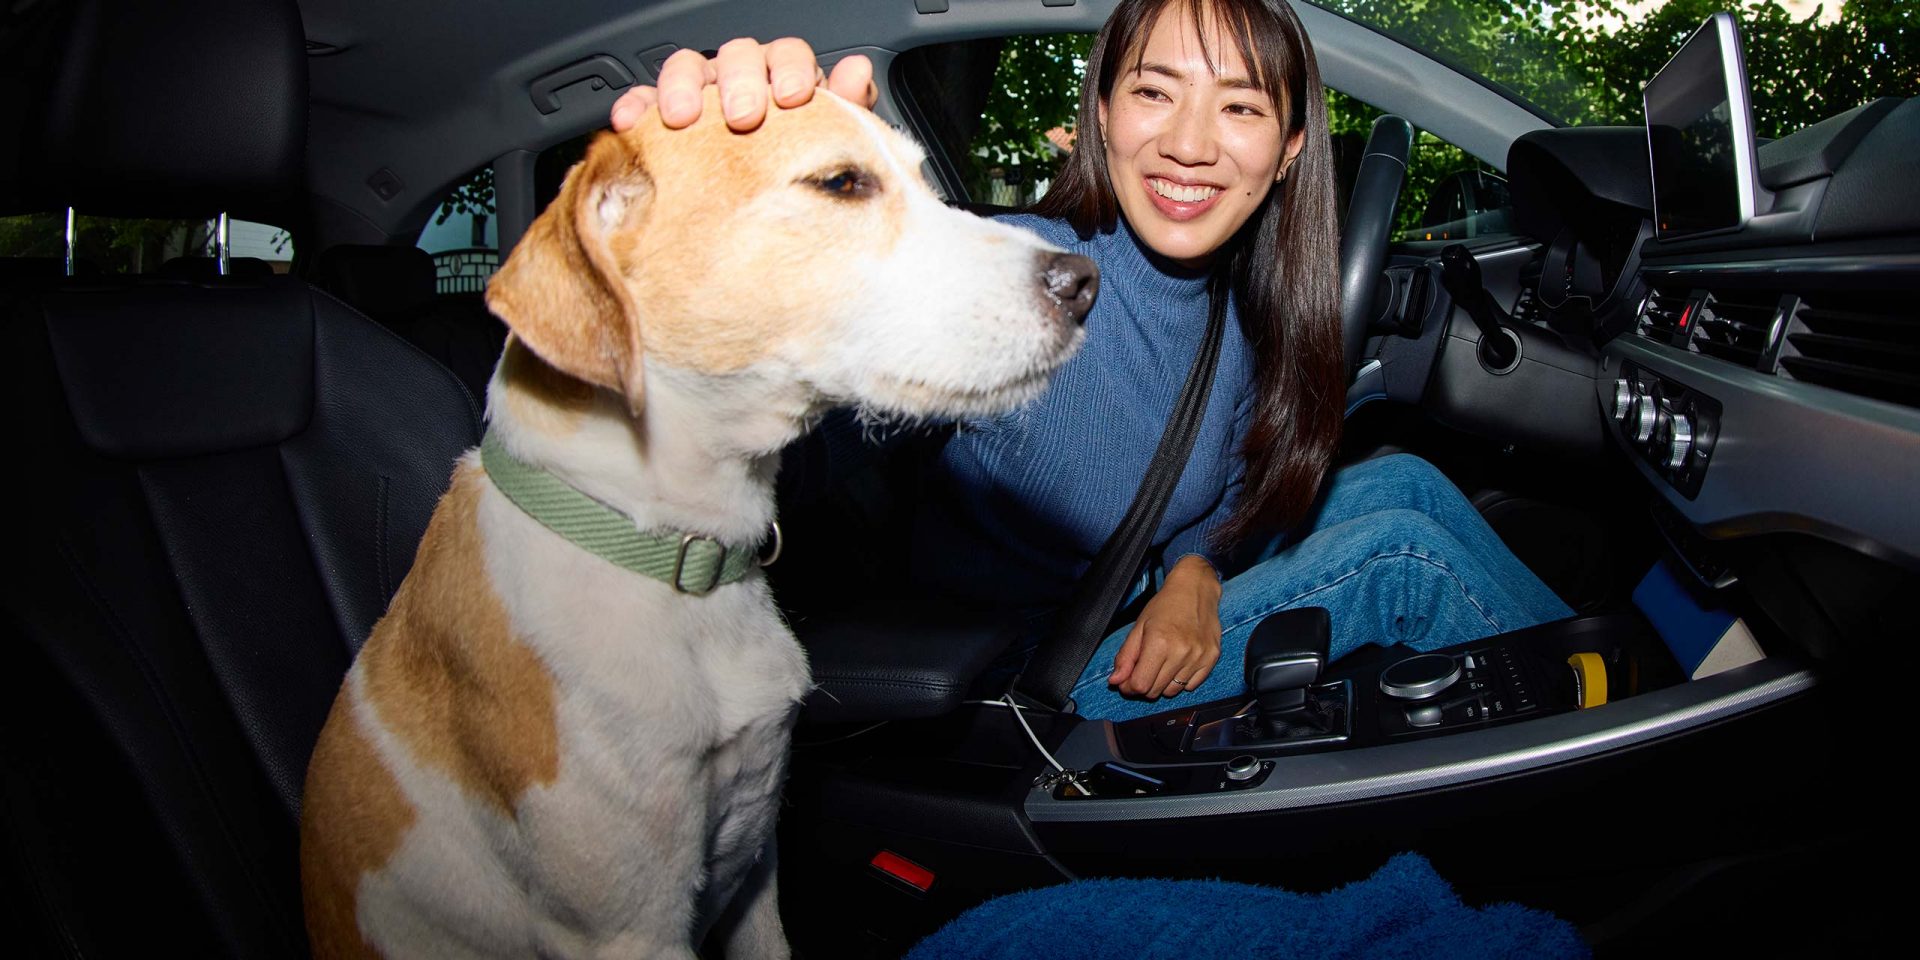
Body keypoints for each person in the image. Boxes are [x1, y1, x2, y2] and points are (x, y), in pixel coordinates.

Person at [610, 0, 1572, 722]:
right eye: (1154, 91)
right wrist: (694, 237)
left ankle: (1685, 667)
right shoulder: (1015, 283)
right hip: (1036, 681)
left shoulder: (1225, 313)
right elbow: (770, 433)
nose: (1189, 145)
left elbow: (1222, 487)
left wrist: (1196, 572)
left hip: (1145, 602)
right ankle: (1658, 730)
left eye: (1238, 107)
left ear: (1286, 152)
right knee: (1402, 559)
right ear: (1104, 113)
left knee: (1403, 481)